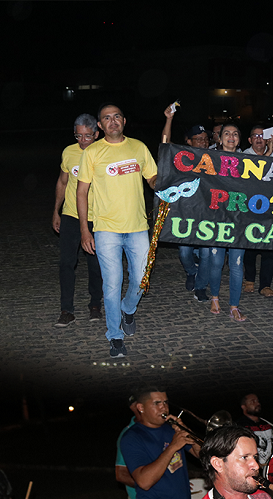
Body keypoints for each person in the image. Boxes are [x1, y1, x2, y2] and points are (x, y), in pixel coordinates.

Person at [76, 104, 158, 358]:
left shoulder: (139, 147)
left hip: (137, 227)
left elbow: (152, 178)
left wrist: (164, 182)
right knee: (112, 284)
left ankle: (128, 308)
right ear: (100, 126)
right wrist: (85, 230)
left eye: (117, 117)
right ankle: (115, 336)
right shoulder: (92, 152)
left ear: (124, 120)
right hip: (106, 229)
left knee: (141, 280)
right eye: (107, 118)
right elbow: (81, 192)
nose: (113, 121)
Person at [51, 113, 103, 327]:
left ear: (96, 134)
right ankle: (66, 310)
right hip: (71, 215)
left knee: (95, 264)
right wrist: (56, 210)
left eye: (87, 136)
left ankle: (95, 305)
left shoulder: (104, 152)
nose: (82, 141)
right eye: (78, 136)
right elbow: (62, 182)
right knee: (66, 263)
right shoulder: (69, 152)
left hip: (97, 217)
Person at [193, 122, 248, 321]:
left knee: (236, 265)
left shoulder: (248, 162)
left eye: (235, 134)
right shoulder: (210, 160)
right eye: (227, 133)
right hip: (216, 220)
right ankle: (215, 297)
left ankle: (234, 306)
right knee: (216, 262)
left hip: (239, 221)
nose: (231, 137)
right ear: (220, 138)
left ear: (239, 139)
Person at [161, 102, 210, 292]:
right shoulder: (182, 158)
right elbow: (165, 145)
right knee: (184, 252)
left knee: (206, 254)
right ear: (188, 141)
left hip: (207, 215)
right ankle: (191, 272)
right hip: (186, 213)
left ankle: (200, 286)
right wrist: (169, 119)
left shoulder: (216, 158)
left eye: (205, 139)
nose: (203, 142)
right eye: (198, 139)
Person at [242, 125, 273, 298]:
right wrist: (268, 151)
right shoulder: (245, 154)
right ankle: (249, 278)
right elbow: (256, 170)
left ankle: (265, 284)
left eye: (262, 136)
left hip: (271, 207)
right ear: (250, 140)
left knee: (269, 247)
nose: (258, 139)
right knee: (250, 245)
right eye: (255, 136)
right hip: (250, 207)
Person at [236, 393, 273, 467]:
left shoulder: (267, 422)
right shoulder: (239, 425)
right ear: (244, 407)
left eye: (257, 401)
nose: (257, 404)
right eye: (253, 401)